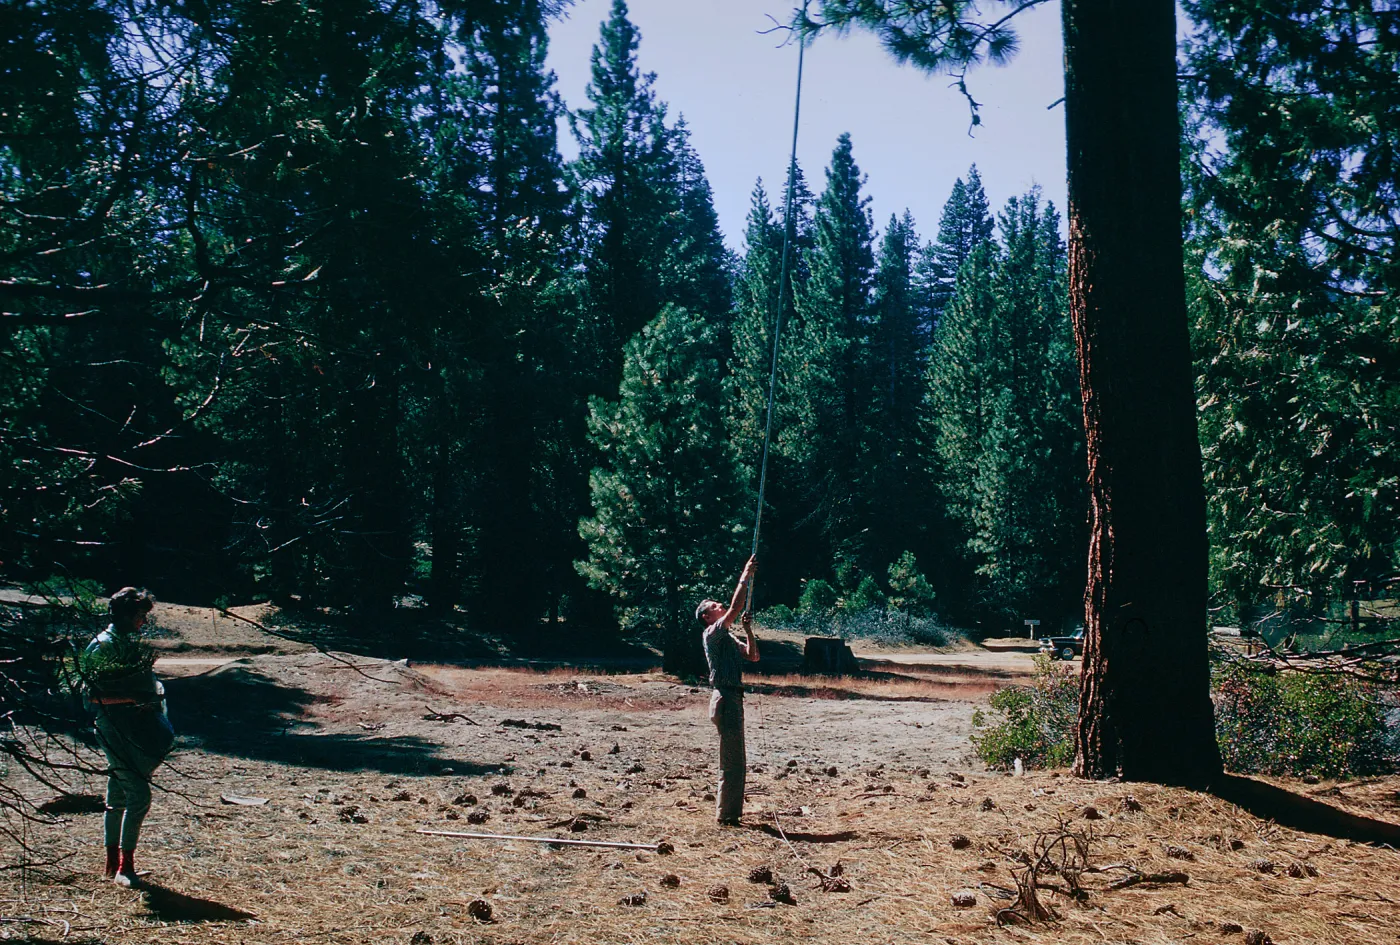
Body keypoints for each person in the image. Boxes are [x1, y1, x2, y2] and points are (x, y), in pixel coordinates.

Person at [83, 587, 174, 887]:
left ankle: (114, 865)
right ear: (124, 615)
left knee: (118, 794)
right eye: (139, 616)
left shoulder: (123, 642)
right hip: (114, 729)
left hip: (132, 727)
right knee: (139, 796)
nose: (142, 622)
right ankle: (125, 868)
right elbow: (91, 699)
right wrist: (133, 700)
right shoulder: (103, 646)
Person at [695, 555, 760, 826]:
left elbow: (752, 656)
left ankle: (731, 814)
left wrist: (748, 631)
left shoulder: (727, 636)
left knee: (737, 759)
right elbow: (735, 607)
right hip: (725, 697)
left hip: (733, 697)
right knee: (732, 760)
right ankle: (727, 817)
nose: (720, 606)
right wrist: (744, 575)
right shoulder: (712, 632)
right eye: (715, 606)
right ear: (707, 616)